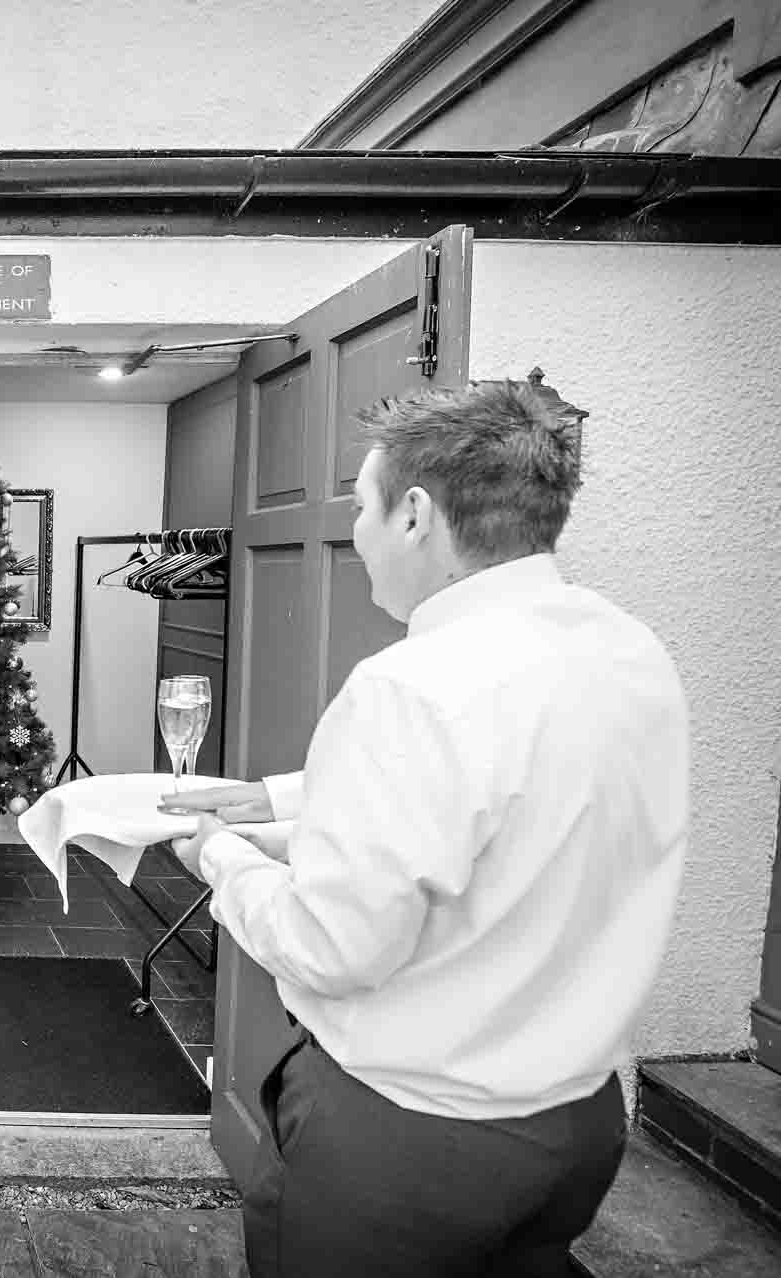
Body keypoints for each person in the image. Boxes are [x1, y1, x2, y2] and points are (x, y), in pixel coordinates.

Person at [171, 379, 688, 1277]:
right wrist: (280, 802)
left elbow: (331, 946)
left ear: (414, 514)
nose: (356, 535)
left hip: (408, 1140)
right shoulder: (627, 650)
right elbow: (513, 816)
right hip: (580, 1122)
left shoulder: (408, 686)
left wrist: (216, 859)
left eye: (361, 508)